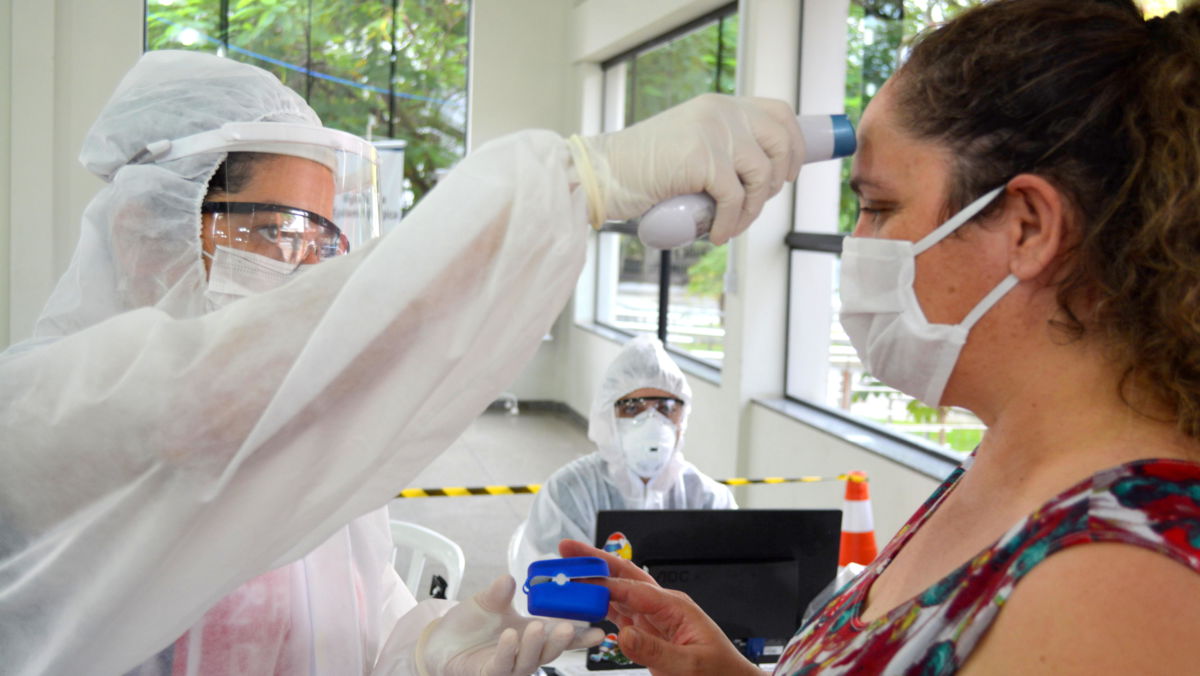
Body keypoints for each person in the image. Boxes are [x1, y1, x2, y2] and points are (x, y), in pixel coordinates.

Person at [0, 50, 806, 676]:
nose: (307, 274)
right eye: (282, 231)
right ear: (145, 229)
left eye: (325, 243)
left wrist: (424, 651)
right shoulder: (40, 411)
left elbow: (358, 618)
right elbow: (200, 402)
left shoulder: (308, 449)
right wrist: (576, 184)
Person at [561, 1, 1200, 673]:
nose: (857, 245)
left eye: (880, 207)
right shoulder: (1011, 463)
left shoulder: (1116, 583)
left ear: (1028, 228)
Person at [510, 335, 735, 582]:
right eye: (632, 408)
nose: (652, 422)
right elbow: (547, 586)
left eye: (666, 408)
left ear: (682, 418)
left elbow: (733, 582)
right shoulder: (568, 492)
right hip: (589, 621)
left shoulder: (709, 499)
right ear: (608, 417)